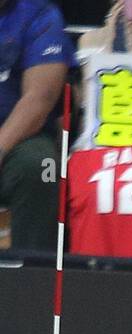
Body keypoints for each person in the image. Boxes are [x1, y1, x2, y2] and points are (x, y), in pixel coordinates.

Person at [0, 0, 74, 252]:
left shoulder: (41, 14)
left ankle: (31, 276)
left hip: (16, 138)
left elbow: (38, 101)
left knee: (42, 166)